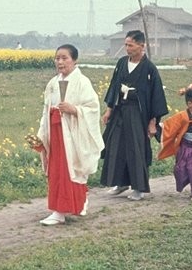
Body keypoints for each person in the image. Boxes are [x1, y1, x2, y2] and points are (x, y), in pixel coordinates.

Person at [30, 44, 103, 225]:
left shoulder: (82, 82)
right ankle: (59, 210)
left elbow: (93, 108)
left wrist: (75, 109)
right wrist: (41, 134)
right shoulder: (52, 83)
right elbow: (46, 110)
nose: (60, 62)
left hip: (73, 134)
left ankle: (68, 207)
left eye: (64, 58)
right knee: (57, 171)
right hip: (55, 132)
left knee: (72, 169)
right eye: (57, 58)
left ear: (74, 60)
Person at [100, 30, 168, 200]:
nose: (127, 48)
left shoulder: (149, 68)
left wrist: (153, 123)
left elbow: (156, 96)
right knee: (116, 145)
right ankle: (120, 182)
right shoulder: (121, 63)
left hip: (138, 113)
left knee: (135, 148)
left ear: (141, 46)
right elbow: (114, 86)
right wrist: (109, 110)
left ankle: (138, 188)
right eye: (126, 45)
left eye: (130, 45)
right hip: (120, 110)